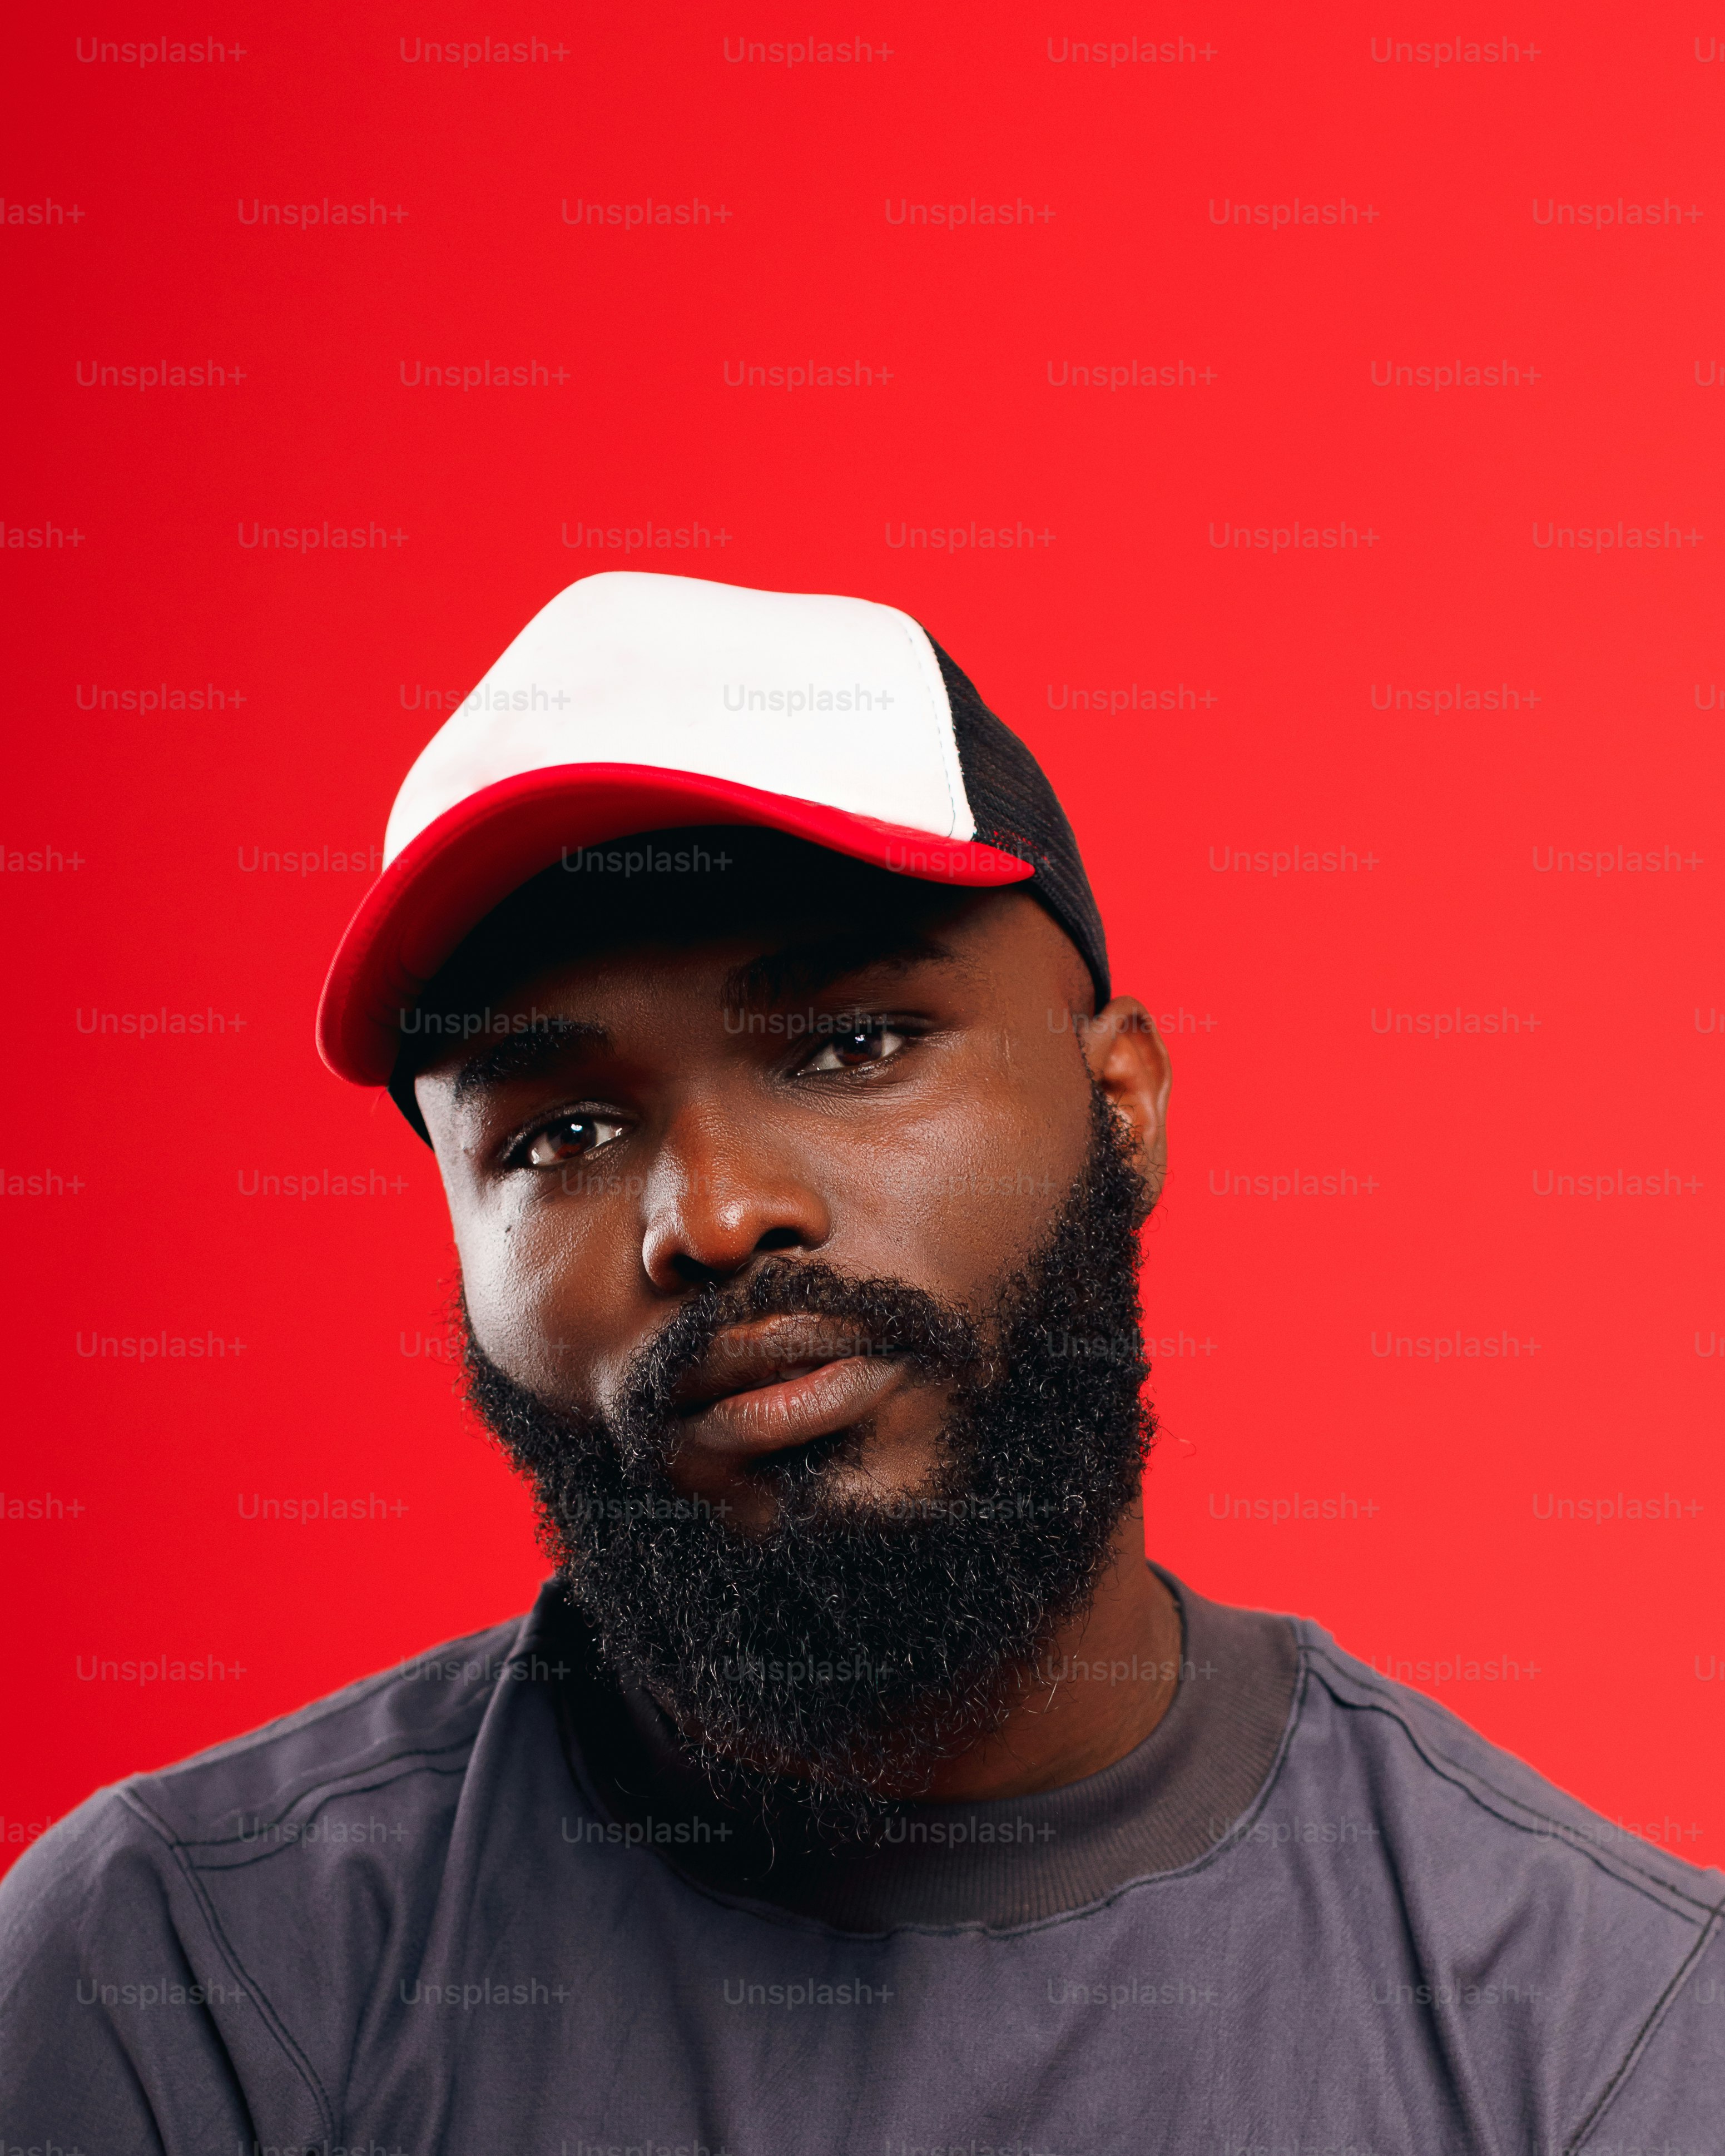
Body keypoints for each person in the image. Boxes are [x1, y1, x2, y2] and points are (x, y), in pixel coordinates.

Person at [2, 571, 1719, 2153]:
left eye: (851, 1043)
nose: (716, 1214)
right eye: (561, 1133)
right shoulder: (180, 1989)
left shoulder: (1604, 2039)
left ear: (1120, 1108)